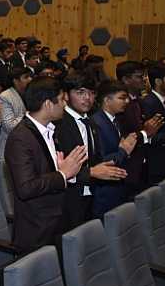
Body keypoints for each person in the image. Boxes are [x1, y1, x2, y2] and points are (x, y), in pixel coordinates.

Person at [4, 76, 87, 253]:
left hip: (57, 220)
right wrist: (62, 174)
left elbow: (49, 173)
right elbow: (26, 188)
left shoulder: (50, 129)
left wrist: (67, 172)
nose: (65, 104)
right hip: (38, 229)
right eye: (62, 100)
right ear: (48, 104)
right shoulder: (20, 138)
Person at [54, 72, 127, 231]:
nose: (87, 98)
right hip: (67, 199)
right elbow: (56, 170)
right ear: (66, 95)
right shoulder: (58, 125)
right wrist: (91, 172)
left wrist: (109, 165)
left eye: (92, 93)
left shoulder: (90, 122)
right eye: (80, 92)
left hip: (90, 195)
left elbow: (95, 160)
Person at [115, 61, 163, 198]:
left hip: (143, 166)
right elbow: (124, 137)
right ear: (126, 79)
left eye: (144, 76)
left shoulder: (139, 101)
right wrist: (145, 133)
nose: (144, 79)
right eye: (139, 76)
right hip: (127, 169)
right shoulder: (120, 106)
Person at [91, 80, 138, 218]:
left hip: (117, 186)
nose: (127, 101)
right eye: (122, 98)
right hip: (104, 192)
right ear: (107, 100)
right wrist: (124, 151)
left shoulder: (115, 119)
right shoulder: (97, 123)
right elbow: (101, 161)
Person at [0, 67, 32, 158]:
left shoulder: (30, 93)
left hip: (28, 144)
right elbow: (9, 126)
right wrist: (28, 115)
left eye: (30, 76)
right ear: (15, 81)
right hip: (11, 147)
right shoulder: (5, 97)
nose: (30, 79)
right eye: (26, 77)